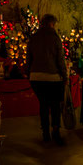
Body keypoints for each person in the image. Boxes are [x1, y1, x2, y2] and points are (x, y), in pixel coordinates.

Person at [27, 14, 67, 144]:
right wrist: (64, 75)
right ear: (52, 24)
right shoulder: (55, 38)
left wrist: (29, 73)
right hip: (53, 77)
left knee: (43, 104)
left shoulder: (33, 38)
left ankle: (45, 133)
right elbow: (60, 59)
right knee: (55, 105)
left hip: (36, 77)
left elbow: (28, 59)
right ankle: (55, 131)